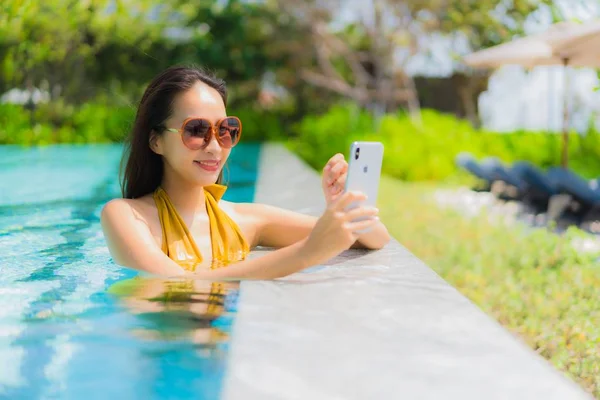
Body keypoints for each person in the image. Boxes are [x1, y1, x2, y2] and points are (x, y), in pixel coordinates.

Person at [100, 65, 391, 280]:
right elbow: (176, 287)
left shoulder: (245, 220)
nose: (215, 147)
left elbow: (374, 238)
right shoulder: (126, 216)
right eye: (197, 130)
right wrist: (307, 252)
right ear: (156, 140)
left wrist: (344, 205)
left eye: (225, 131)